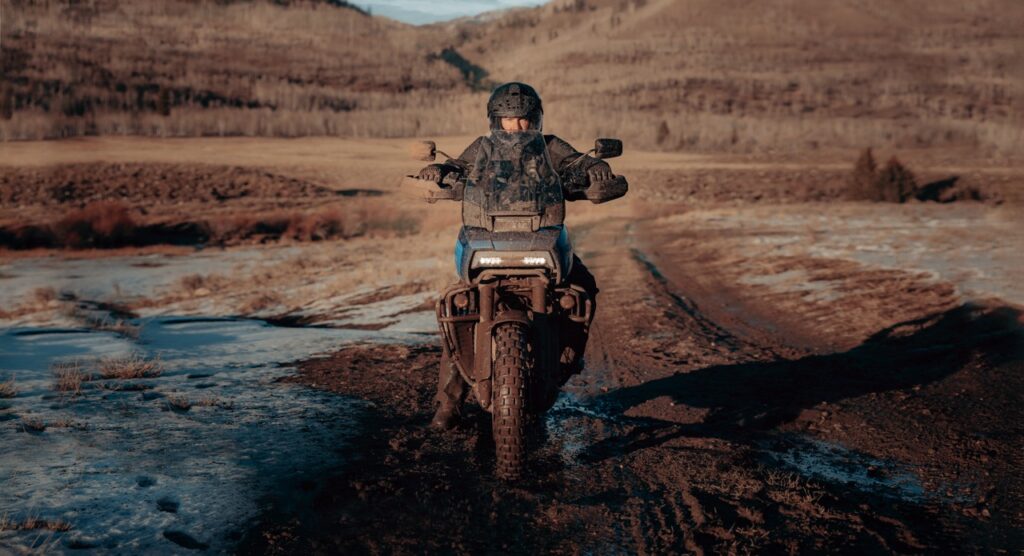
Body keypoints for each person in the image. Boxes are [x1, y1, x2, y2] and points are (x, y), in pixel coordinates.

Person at [418, 82, 612, 430]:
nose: (516, 126)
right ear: (496, 120)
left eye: (523, 119)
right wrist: (440, 171)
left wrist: (595, 167)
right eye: (509, 120)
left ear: (535, 119)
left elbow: (576, 163)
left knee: (584, 285)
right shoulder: (482, 148)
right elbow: (458, 167)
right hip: (488, 235)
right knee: (461, 308)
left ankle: (570, 353)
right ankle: (448, 405)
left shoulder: (550, 146)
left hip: (541, 233)